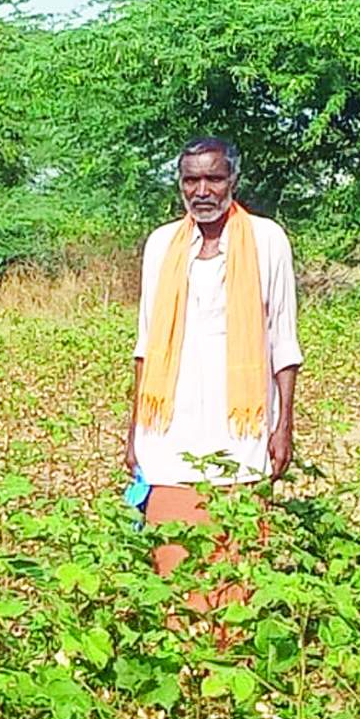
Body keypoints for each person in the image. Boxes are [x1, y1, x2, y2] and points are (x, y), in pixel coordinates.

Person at [124, 137, 302, 615]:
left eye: (214, 178)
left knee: (236, 564)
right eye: (191, 180)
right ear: (180, 186)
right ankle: (183, 663)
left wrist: (283, 427)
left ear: (233, 181)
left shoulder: (267, 240)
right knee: (172, 563)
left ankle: (232, 666)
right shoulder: (162, 244)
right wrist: (132, 435)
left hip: (241, 433)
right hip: (168, 432)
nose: (202, 190)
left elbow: (283, 345)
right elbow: (145, 345)